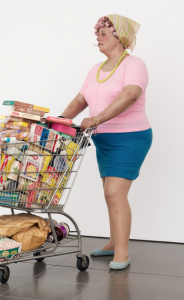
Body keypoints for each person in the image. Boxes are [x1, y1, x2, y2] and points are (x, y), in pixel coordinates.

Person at [59, 14, 153, 270]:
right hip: (103, 140)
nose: (97, 39)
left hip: (130, 138)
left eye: (103, 34)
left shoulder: (134, 65)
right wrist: (59, 121)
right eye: (96, 34)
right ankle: (113, 241)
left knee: (114, 193)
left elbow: (130, 95)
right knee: (110, 194)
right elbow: (80, 99)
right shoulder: (96, 69)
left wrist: (97, 118)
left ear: (119, 37)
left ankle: (121, 252)